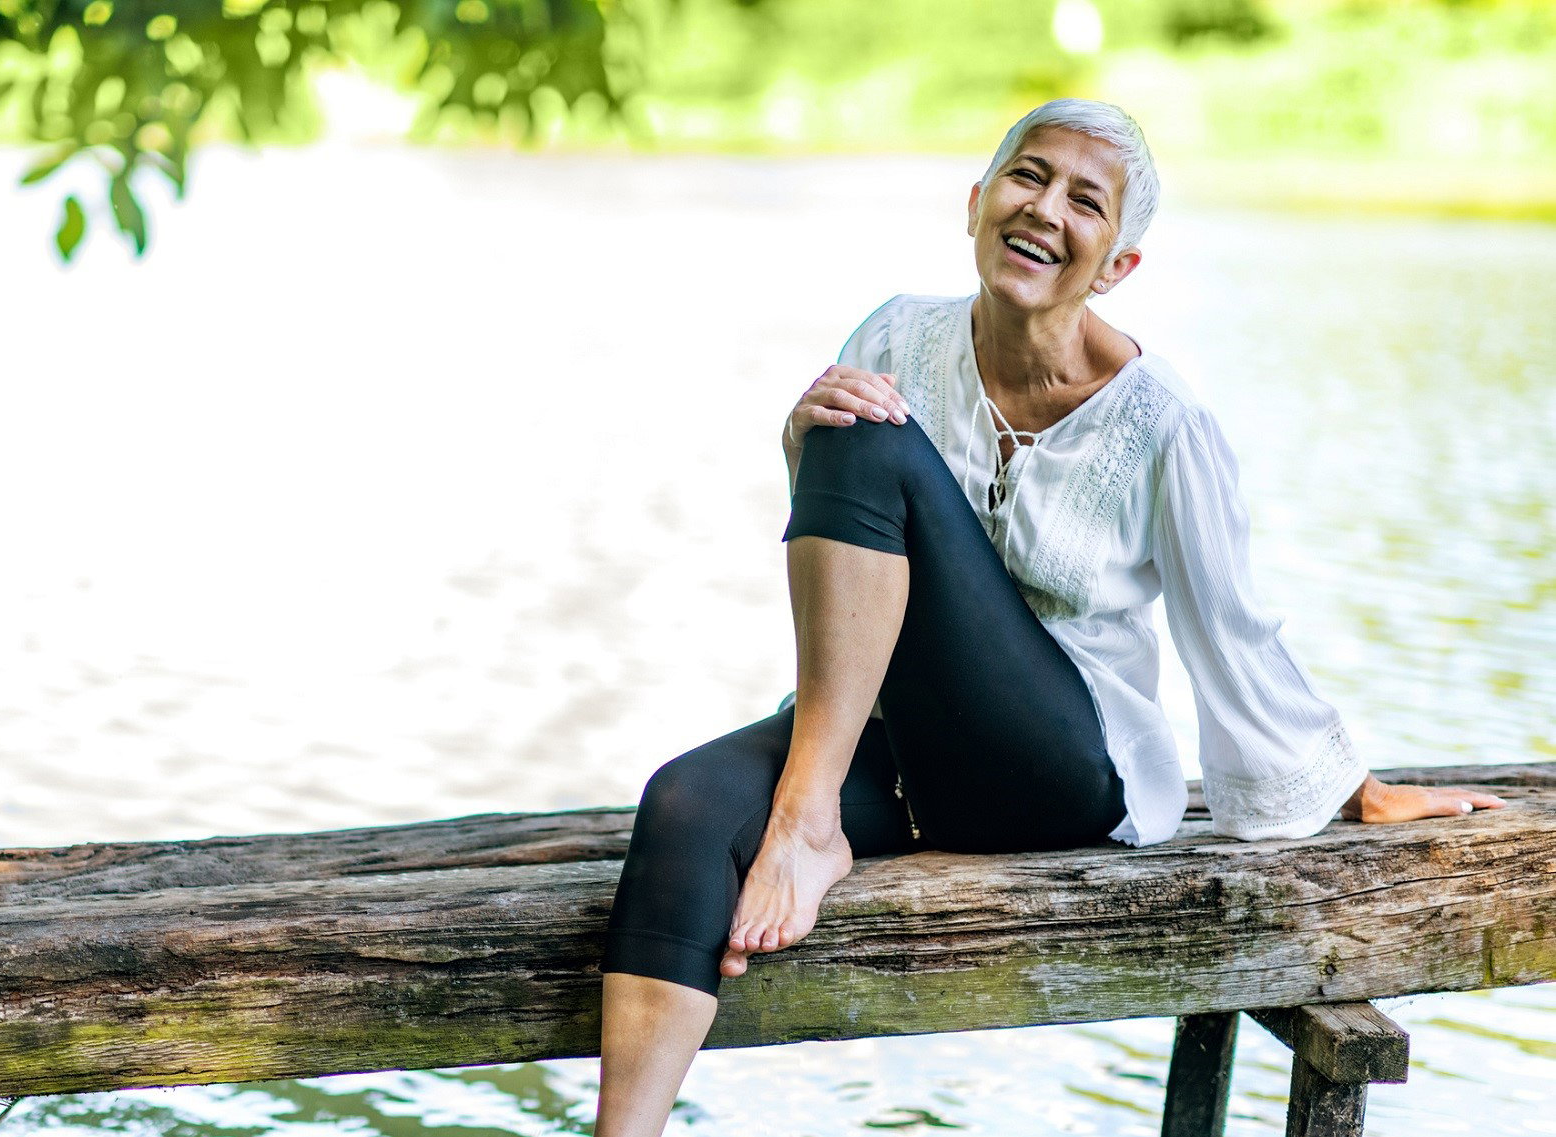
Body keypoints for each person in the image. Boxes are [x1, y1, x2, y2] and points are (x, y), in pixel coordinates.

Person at [588, 98, 1508, 1137]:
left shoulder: (1162, 421)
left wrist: (1353, 789)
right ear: (977, 203)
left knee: (867, 434)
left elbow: (1232, 630)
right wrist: (802, 443)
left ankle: (807, 825)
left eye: (1085, 201)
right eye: (1027, 178)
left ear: (1116, 264)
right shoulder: (897, 334)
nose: (1045, 209)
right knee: (682, 805)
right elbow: (848, 549)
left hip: (1060, 769)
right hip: (904, 747)